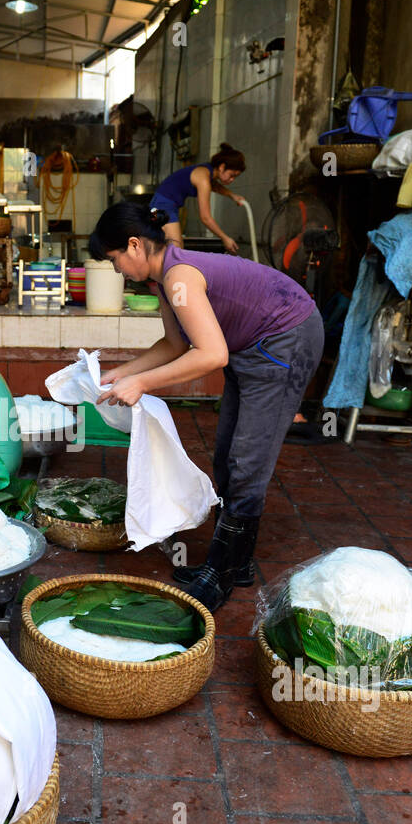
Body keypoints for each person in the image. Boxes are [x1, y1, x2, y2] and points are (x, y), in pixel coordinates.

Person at [88, 201, 323, 612]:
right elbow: (175, 345)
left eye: (114, 260)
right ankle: (237, 563)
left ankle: (222, 574)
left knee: (246, 461)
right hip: (252, 345)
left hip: (285, 337)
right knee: (227, 455)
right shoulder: (165, 280)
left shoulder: (178, 276)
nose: (117, 271)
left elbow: (211, 355)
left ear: (134, 245)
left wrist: (141, 383)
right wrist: (122, 371)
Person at [149, 143, 247, 253]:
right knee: (176, 250)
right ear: (222, 167)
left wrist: (232, 195)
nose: (232, 180)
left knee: (169, 248)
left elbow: (215, 186)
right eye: (232, 175)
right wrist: (225, 238)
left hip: (157, 205)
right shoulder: (203, 179)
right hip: (161, 208)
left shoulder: (207, 171)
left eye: (235, 177)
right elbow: (205, 217)